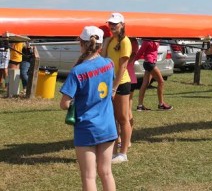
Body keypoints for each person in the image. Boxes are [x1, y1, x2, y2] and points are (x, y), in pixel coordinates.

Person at [59, 26, 117, 191]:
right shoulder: (109, 64)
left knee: (89, 176)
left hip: (87, 127)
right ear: (100, 46)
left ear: (82, 44)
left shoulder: (77, 71)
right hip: (108, 125)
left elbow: (64, 104)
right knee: (106, 173)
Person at [103, 12, 132, 163]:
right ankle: (113, 151)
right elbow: (103, 59)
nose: (112, 26)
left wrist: (114, 87)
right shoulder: (111, 40)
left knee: (122, 118)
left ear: (122, 25)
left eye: (115, 24)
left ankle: (123, 153)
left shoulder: (125, 41)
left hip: (121, 83)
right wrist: (106, 42)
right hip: (110, 83)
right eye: (110, 24)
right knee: (112, 119)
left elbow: (123, 67)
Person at [135, 39, 173, 111]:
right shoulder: (147, 41)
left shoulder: (156, 39)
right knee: (161, 82)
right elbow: (140, 52)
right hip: (149, 63)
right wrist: (132, 60)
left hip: (151, 63)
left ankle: (140, 106)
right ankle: (161, 104)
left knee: (145, 84)